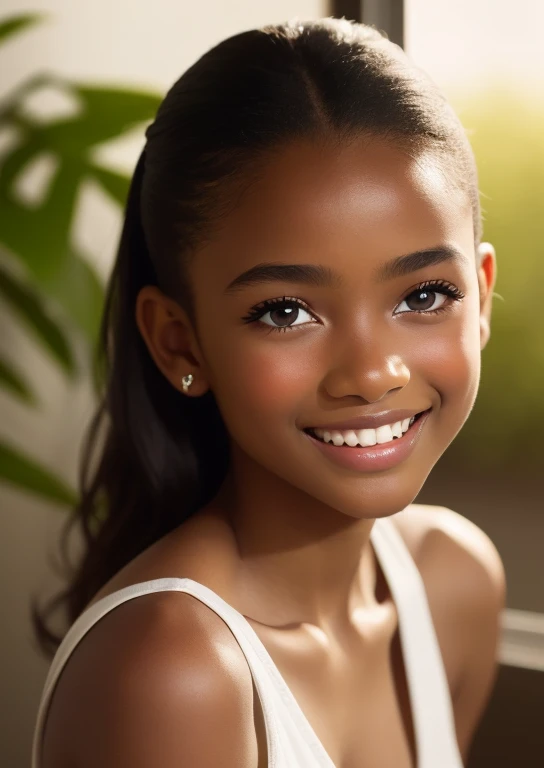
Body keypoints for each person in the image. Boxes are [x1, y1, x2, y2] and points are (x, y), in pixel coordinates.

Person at [31, 16, 506, 768]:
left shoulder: (455, 582)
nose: (372, 372)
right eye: (286, 311)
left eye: (422, 296)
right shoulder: (173, 673)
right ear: (178, 341)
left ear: (480, 298)